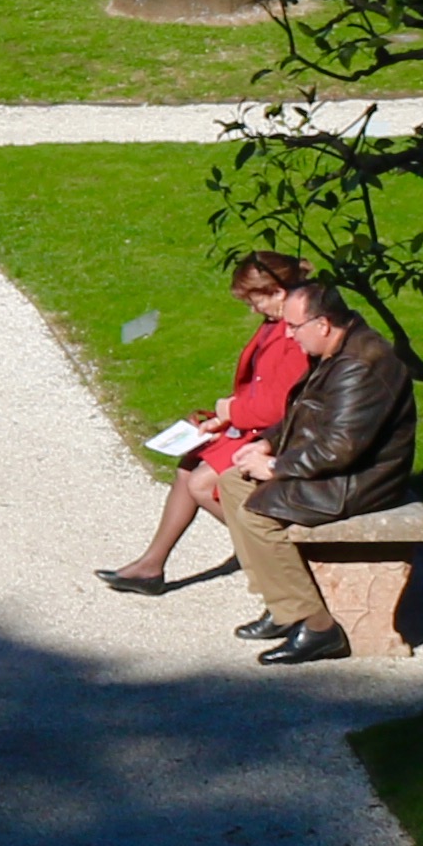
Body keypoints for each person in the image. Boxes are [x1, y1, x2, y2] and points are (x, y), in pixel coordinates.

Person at [202, 265, 419, 668]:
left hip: (360, 480)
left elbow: (339, 449)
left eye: (294, 327)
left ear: (322, 324)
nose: (288, 335)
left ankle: (317, 627)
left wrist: (276, 467)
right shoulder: (335, 348)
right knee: (233, 483)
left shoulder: (360, 366)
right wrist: (267, 441)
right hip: (337, 468)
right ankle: (282, 605)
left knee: (257, 512)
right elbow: (303, 411)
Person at [94, 255, 311, 595]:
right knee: (189, 464)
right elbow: (262, 386)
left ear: (278, 292)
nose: (252, 308)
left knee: (202, 482)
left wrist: (231, 411)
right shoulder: (276, 322)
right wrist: (223, 417)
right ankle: (150, 566)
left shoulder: (294, 334)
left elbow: (278, 407)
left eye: (254, 300)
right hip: (255, 425)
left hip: (278, 434)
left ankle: (274, 554)